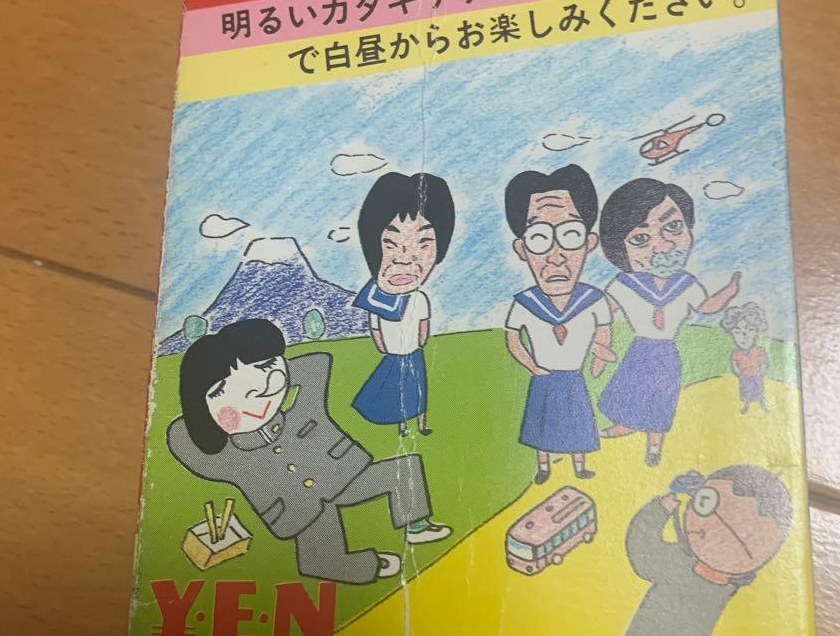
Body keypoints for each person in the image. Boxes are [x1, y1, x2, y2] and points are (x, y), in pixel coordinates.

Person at [168, 319, 451, 585]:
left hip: (342, 476)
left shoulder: (304, 407)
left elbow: (316, 364)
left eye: (267, 367)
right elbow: (180, 436)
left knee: (404, 470)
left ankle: (416, 526)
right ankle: (346, 566)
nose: (255, 393)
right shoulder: (229, 460)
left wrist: (272, 377)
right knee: (321, 545)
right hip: (296, 507)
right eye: (220, 392)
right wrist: (208, 411)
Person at [596, 178, 740, 467]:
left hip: (665, 354)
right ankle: (625, 425)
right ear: (620, 249)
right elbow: (603, 312)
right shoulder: (624, 285)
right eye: (640, 239)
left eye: (672, 226)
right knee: (630, 391)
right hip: (639, 352)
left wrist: (729, 291)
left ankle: (654, 446)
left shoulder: (686, 285)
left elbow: (705, 307)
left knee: (660, 400)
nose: (661, 247)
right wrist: (600, 344)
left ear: (688, 230)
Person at [621, 465, 791, 636]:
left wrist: (664, 506)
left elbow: (644, 550)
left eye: (741, 537)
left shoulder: (705, 581)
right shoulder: (680, 561)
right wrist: (664, 505)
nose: (713, 527)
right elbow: (643, 549)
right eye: (706, 503)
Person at [503, 164, 614, 484]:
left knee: (578, 423)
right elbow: (513, 338)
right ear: (522, 249)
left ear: (589, 242)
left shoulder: (593, 300)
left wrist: (600, 352)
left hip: (573, 378)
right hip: (544, 378)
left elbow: (603, 331)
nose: (556, 256)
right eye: (539, 238)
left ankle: (580, 465)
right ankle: (543, 467)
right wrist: (531, 365)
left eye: (570, 235)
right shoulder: (525, 304)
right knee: (541, 424)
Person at [351, 172, 455, 437]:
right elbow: (377, 329)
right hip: (396, 356)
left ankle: (420, 424)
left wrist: (416, 344)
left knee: (418, 391)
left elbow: (422, 326)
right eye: (390, 243)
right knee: (396, 392)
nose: (405, 259)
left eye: (423, 244)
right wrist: (389, 347)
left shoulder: (418, 299)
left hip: (412, 354)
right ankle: (402, 426)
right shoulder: (375, 298)